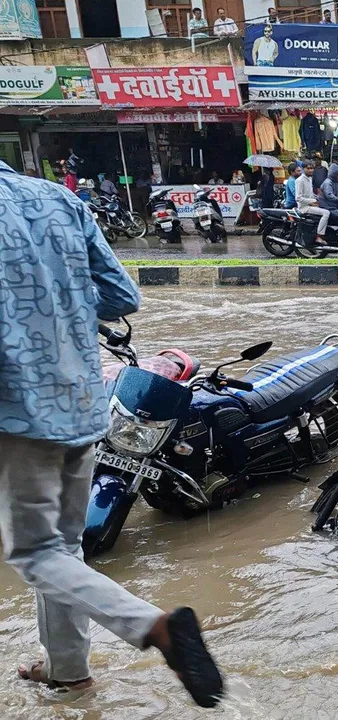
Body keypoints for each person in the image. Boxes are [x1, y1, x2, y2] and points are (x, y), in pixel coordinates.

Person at [0, 160, 225, 706]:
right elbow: (121, 295)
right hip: (83, 398)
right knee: (63, 550)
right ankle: (68, 671)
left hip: (16, 407)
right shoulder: (57, 199)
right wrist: (59, 309)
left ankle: (154, 626)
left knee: (34, 554)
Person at [296, 161, 329, 244]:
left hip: (311, 205)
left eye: (312, 168)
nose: (311, 170)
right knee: (326, 213)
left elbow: (311, 194)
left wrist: (320, 198)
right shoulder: (300, 180)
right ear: (303, 169)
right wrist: (312, 201)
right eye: (308, 168)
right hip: (304, 207)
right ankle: (319, 236)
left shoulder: (310, 179)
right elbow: (298, 198)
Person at [319, 165, 338, 246]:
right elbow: (329, 195)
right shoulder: (328, 183)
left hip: (333, 206)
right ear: (335, 174)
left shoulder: (335, 182)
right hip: (328, 207)